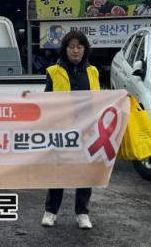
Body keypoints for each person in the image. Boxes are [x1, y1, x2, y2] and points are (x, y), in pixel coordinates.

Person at [40, 30, 99, 230]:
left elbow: (99, 100)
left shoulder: (93, 71)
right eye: (71, 47)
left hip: (87, 129)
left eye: (79, 47)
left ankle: (82, 213)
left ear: (84, 49)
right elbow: (46, 100)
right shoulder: (53, 71)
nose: (75, 51)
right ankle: (51, 211)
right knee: (58, 170)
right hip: (62, 130)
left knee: (86, 171)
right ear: (65, 49)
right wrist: (29, 97)